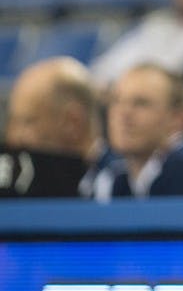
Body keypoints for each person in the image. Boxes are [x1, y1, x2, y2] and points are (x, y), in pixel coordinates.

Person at [106, 63, 183, 197]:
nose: (123, 113)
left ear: (178, 119)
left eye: (141, 103)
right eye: (116, 101)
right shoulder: (116, 175)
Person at [1, 56, 114, 198]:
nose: (14, 138)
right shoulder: (25, 186)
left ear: (73, 122)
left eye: (28, 122)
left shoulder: (121, 183)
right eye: (13, 122)